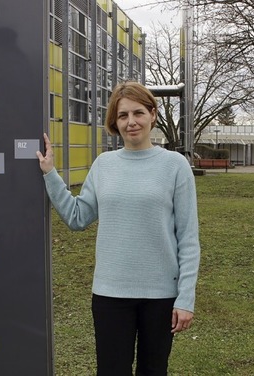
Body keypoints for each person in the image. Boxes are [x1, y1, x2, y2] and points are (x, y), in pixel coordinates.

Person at [36, 81, 200, 375]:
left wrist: (185, 297)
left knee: (153, 370)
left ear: (153, 115)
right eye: (123, 115)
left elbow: (188, 238)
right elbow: (77, 217)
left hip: (161, 296)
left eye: (138, 113)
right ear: (115, 120)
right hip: (111, 294)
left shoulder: (175, 166)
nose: (131, 122)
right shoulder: (104, 165)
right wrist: (50, 173)